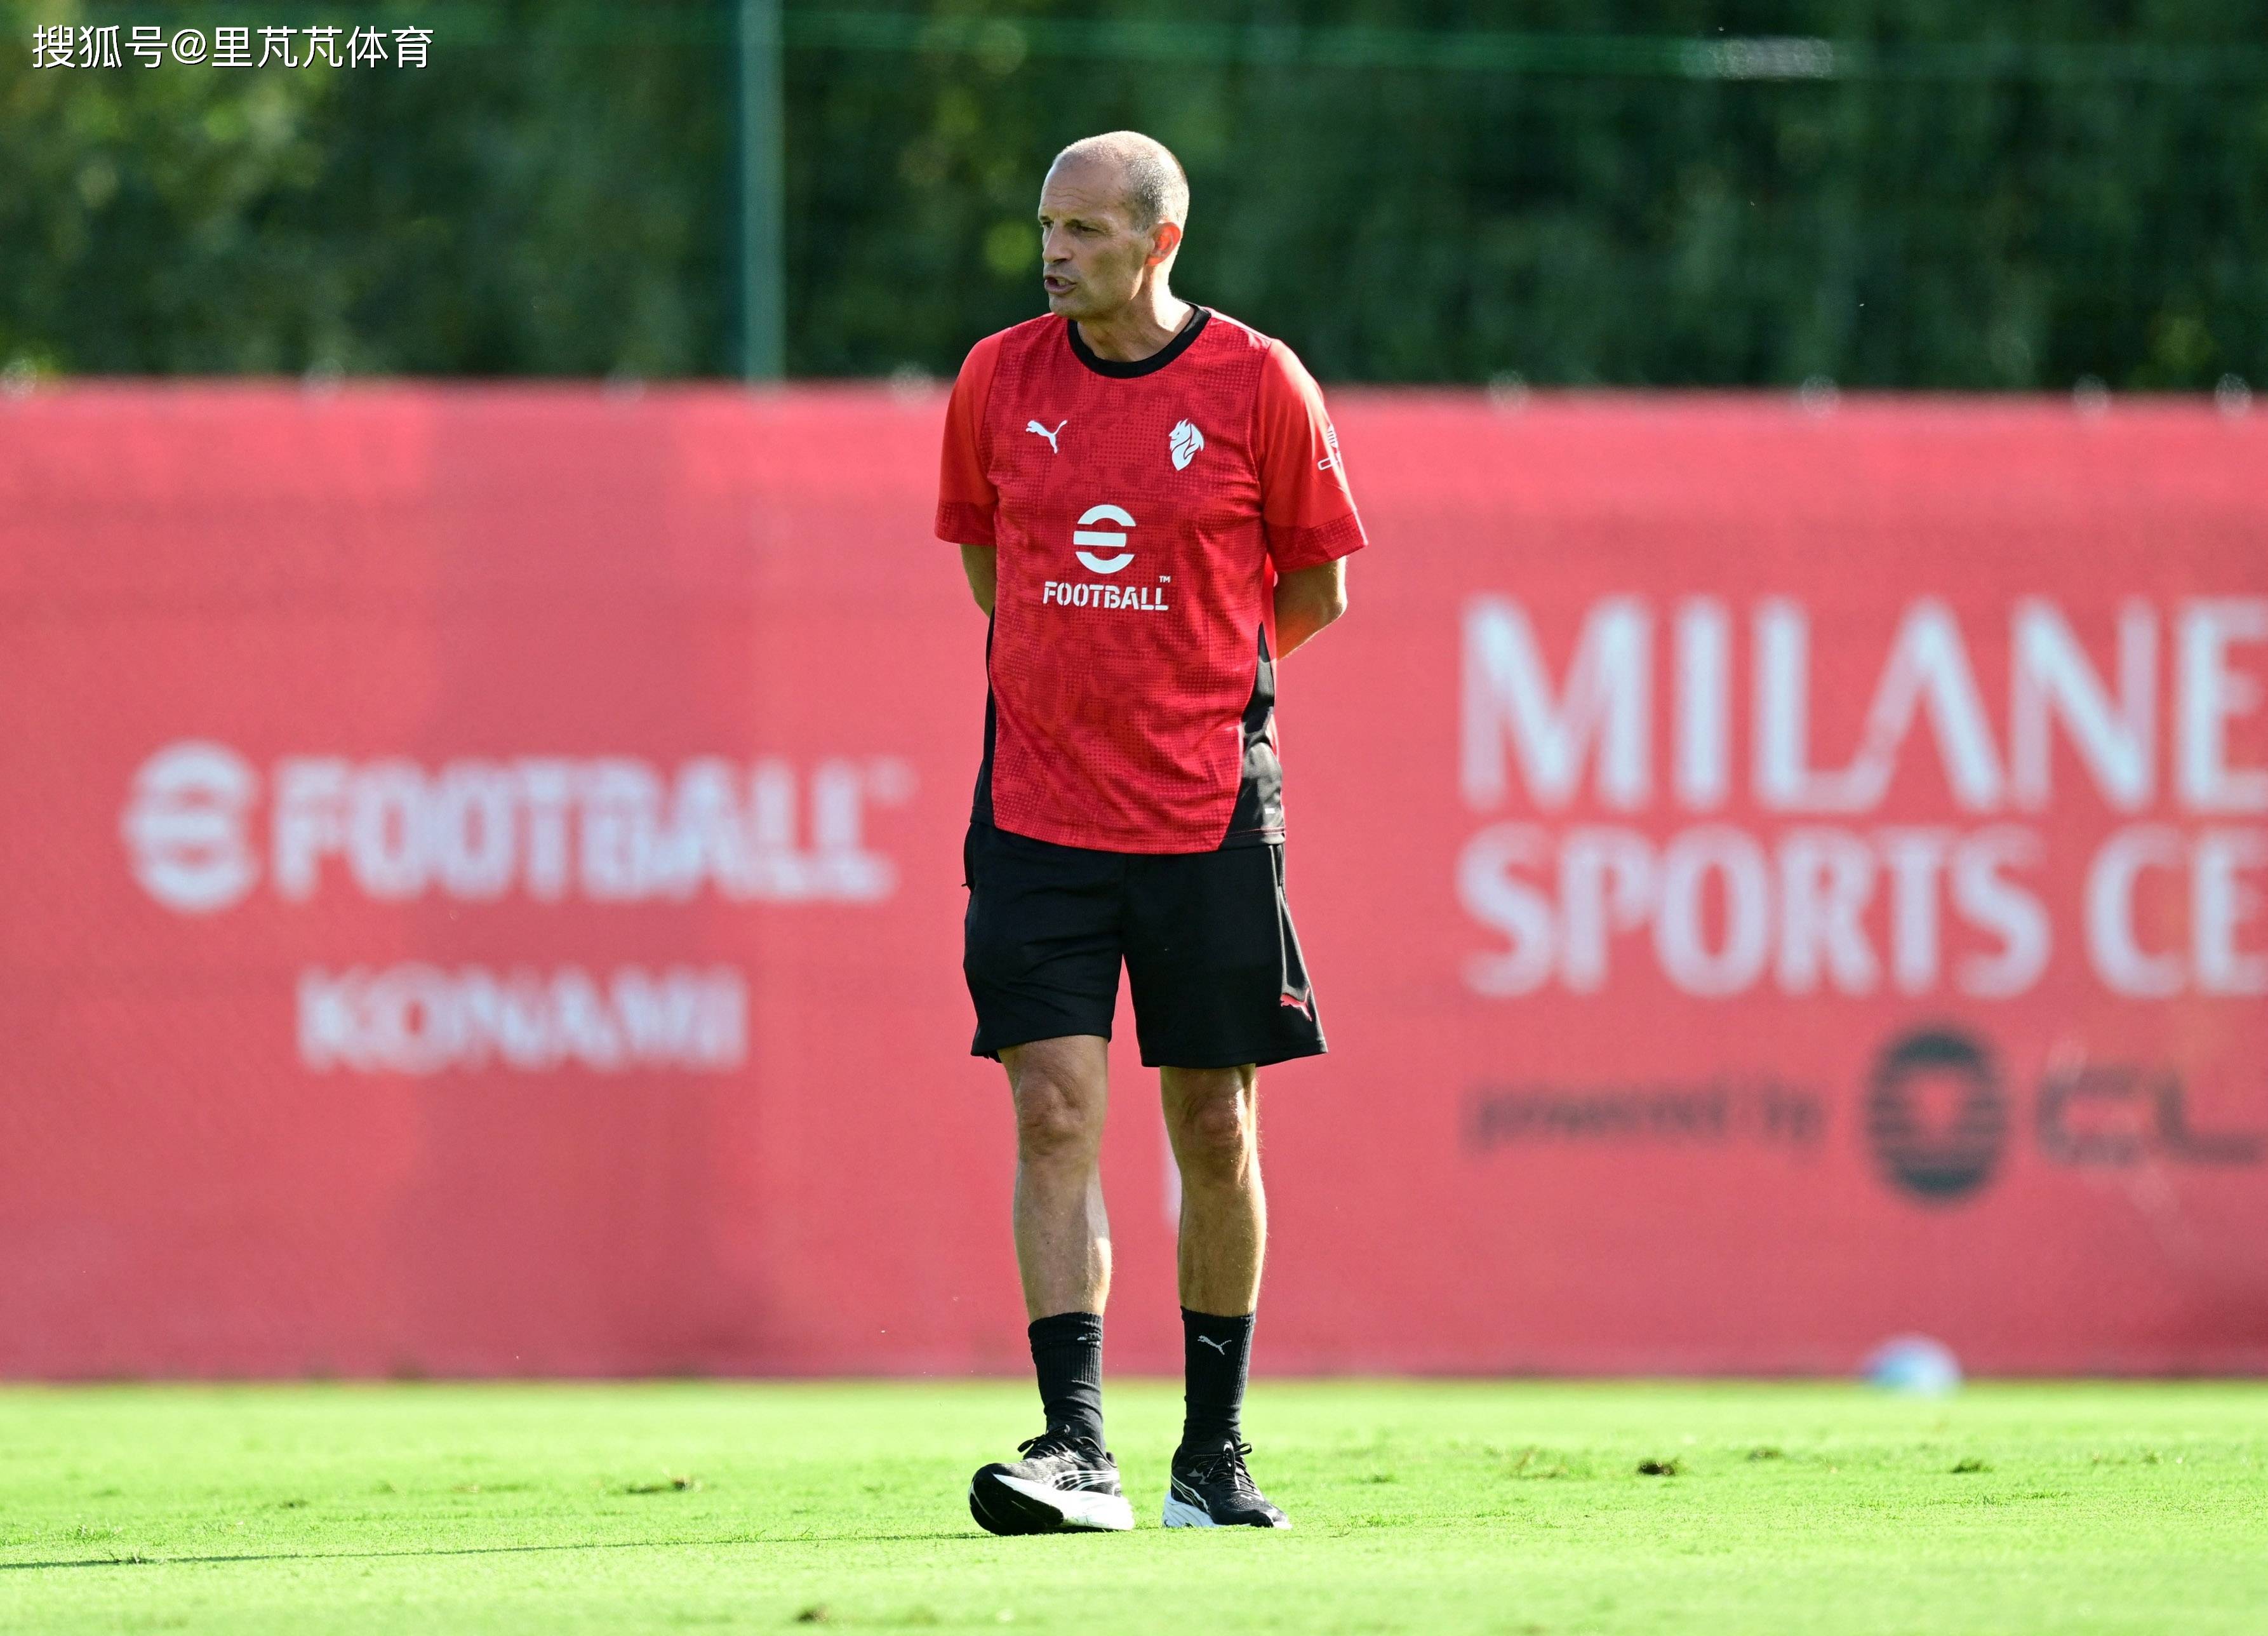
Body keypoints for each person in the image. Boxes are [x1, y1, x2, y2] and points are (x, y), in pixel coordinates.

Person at [934, 130, 1365, 1534]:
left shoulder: (1259, 381)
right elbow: (994, 570)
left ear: (1160, 240)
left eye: (1086, 230)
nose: (1055, 252)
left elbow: (1315, 592)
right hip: (1037, 811)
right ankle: (1075, 1447)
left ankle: (1212, 1458)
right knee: (1052, 1109)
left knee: (1215, 1126)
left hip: (1205, 813)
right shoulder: (997, 379)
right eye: (1045, 227)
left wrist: (1188, 682)